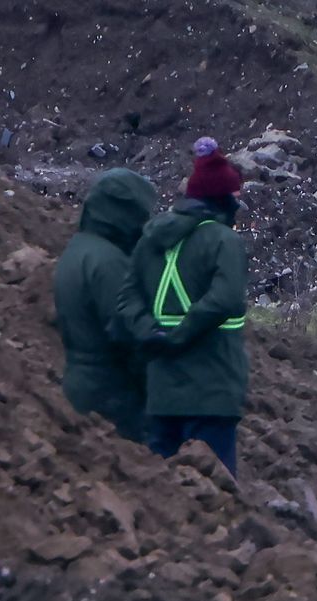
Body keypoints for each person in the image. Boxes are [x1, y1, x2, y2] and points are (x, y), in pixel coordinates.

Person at [117, 136, 249, 477]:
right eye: (236, 199)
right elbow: (226, 299)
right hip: (213, 393)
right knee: (216, 499)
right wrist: (181, 335)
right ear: (221, 199)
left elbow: (127, 298)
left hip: (161, 394)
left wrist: (152, 333)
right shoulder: (225, 241)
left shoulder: (150, 238)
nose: (240, 206)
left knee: (165, 502)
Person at [53, 168, 157, 441]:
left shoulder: (78, 249)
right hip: (113, 398)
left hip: (80, 385)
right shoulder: (109, 263)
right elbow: (130, 335)